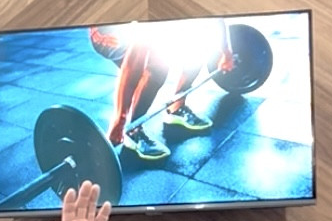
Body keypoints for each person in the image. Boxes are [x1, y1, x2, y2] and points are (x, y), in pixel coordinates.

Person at [89, 19, 236, 161]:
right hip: (109, 33)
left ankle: (176, 107)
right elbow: (135, 60)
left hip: (147, 27)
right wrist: (120, 120)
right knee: (157, 69)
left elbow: (216, 19)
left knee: (197, 45)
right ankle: (133, 131)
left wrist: (227, 53)